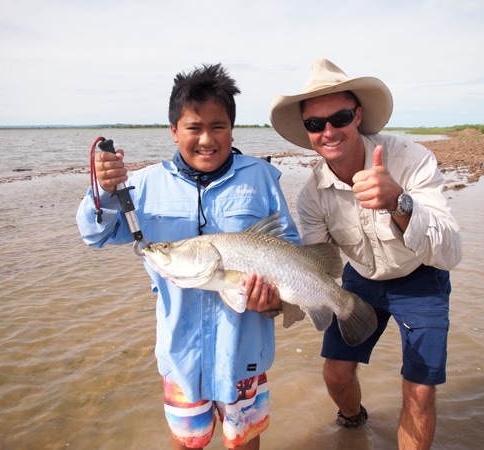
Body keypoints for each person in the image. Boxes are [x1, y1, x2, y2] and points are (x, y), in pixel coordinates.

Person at [77, 63, 302, 450]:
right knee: (188, 442)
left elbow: (289, 247)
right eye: (193, 128)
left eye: (218, 127)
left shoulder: (260, 177)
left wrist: (276, 301)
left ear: (232, 129)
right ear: (173, 130)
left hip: (244, 355)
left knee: (245, 441)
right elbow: (94, 235)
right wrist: (103, 190)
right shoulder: (144, 184)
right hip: (182, 358)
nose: (206, 139)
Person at [269, 59, 462, 450]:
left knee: (420, 392)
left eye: (339, 117)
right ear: (307, 131)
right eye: (315, 124)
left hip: (421, 276)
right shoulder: (311, 196)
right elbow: (317, 266)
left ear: (357, 116)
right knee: (336, 375)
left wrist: (399, 202)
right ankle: (355, 426)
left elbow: (451, 252)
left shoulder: (411, 159)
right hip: (361, 278)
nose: (328, 132)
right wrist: (278, 297)